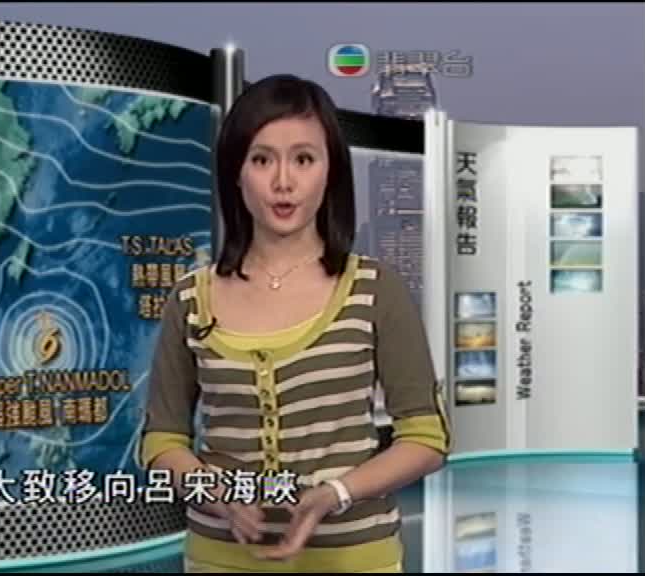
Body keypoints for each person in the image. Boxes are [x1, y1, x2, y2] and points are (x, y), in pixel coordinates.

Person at [140, 74, 450, 573]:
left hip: (353, 560)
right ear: (235, 172)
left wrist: (337, 493)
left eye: (304, 159)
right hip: (221, 560)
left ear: (331, 171)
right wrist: (216, 494)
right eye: (262, 160)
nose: (283, 182)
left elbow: (426, 438)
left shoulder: (375, 289)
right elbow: (161, 441)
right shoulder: (191, 299)